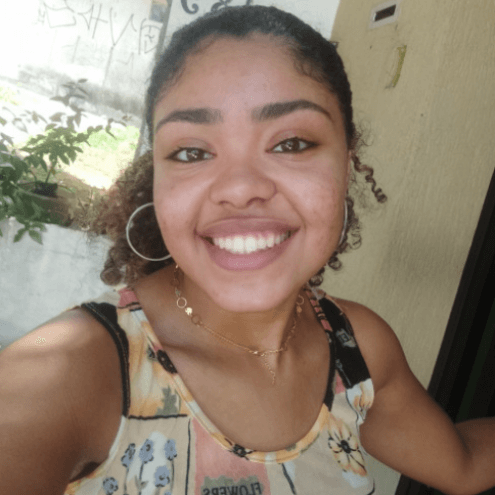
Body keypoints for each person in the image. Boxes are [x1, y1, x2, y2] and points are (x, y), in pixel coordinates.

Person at [1, 5, 494, 495]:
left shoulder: (356, 350)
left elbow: (466, 465)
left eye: (291, 143)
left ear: (346, 166)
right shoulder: (64, 373)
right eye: (191, 152)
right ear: (157, 180)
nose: (239, 189)